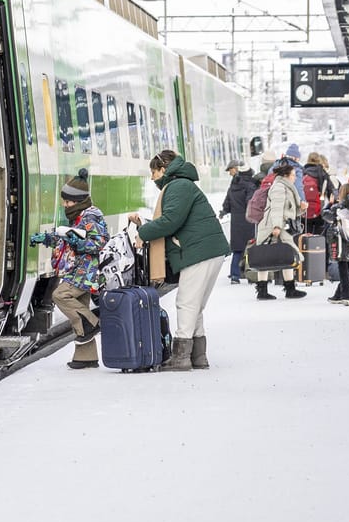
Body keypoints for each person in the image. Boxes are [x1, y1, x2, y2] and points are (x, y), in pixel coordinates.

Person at [127, 150, 229, 371]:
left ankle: (181, 357)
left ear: (163, 169)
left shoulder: (178, 186)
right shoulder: (182, 185)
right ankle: (198, 356)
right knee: (195, 305)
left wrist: (143, 233)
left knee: (186, 302)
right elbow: (174, 219)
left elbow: (171, 221)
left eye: (154, 172)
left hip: (199, 252)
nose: (152, 178)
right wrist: (144, 224)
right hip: (206, 250)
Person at [28, 169, 109, 369]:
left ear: (79, 201)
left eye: (68, 202)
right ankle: (86, 357)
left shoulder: (90, 217)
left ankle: (93, 323)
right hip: (78, 269)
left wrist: (78, 243)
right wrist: (46, 238)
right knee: (79, 306)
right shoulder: (78, 217)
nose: (64, 205)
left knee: (61, 295)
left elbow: (99, 242)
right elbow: (66, 239)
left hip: (86, 271)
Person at [254, 163, 307, 301]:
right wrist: (277, 226)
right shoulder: (279, 187)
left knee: (286, 255)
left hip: (280, 225)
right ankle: (265, 291)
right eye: (293, 175)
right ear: (286, 176)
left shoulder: (286, 187)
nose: (295, 178)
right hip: (272, 226)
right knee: (265, 257)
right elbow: (276, 208)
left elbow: (288, 210)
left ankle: (288, 289)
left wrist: (301, 209)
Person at [219, 160, 257, 283]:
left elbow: (228, 200)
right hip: (248, 219)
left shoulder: (234, 184)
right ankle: (251, 274)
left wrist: (224, 210)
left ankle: (234, 275)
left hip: (236, 220)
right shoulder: (250, 185)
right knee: (250, 247)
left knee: (237, 249)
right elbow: (250, 202)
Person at [325, 182, 349, 305]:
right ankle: (338, 295)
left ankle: (347, 296)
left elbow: (326, 215)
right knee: (347, 265)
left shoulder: (339, 207)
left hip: (341, 238)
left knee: (343, 267)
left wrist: (330, 203)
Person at [302, 152, 336, 234]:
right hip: (319, 210)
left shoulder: (302, 172)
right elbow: (331, 191)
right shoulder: (322, 173)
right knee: (319, 236)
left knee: (305, 236)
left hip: (304, 211)